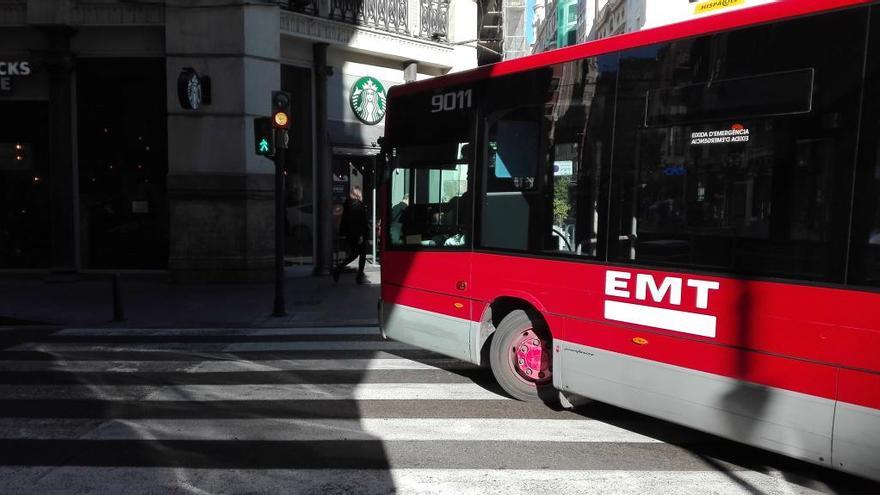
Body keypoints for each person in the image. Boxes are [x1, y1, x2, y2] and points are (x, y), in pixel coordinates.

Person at [333, 185, 370, 284]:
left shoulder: (348, 205)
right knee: (360, 254)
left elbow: (346, 221)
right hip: (358, 234)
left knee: (355, 254)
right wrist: (362, 235)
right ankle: (357, 276)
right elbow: (361, 222)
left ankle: (339, 269)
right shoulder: (358, 205)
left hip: (350, 234)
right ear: (358, 193)